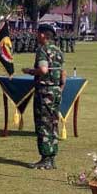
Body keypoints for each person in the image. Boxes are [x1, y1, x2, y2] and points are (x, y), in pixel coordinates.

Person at [22, 24, 65, 170]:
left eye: (37, 33)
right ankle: (51, 157)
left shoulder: (43, 50)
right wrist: (60, 88)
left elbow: (43, 69)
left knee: (43, 124)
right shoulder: (58, 50)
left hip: (45, 91)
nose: (36, 36)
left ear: (42, 35)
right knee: (53, 124)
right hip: (56, 91)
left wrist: (29, 71)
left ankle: (46, 158)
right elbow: (62, 73)